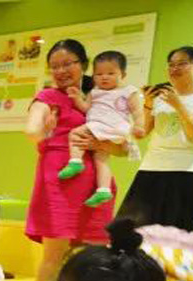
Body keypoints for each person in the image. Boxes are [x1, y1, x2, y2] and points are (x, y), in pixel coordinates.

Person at [24, 39, 126, 281]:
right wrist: (44, 132)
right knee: (53, 257)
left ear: (83, 65)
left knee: (95, 256)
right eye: (54, 66)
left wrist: (99, 143)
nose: (61, 71)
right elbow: (31, 130)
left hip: (94, 184)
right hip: (59, 181)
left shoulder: (98, 98)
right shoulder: (47, 97)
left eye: (67, 64)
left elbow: (121, 147)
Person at [117, 46, 193, 231]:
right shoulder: (161, 97)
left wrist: (179, 106)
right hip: (150, 168)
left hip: (186, 172)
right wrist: (148, 104)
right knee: (129, 232)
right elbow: (143, 133)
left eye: (182, 64)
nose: (175, 68)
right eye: (171, 64)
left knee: (175, 236)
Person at [59, 50, 144, 208]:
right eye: (99, 74)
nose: (104, 77)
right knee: (101, 158)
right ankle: (104, 189)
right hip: (105, 129)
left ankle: (75, 161)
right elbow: (86, 108)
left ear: (123, 74)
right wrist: (77, 98)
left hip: (108, 126)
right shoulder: (95, 92)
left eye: (110, 73)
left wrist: (139, 125)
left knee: (75, 133)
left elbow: (137, 111)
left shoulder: (128, 91)